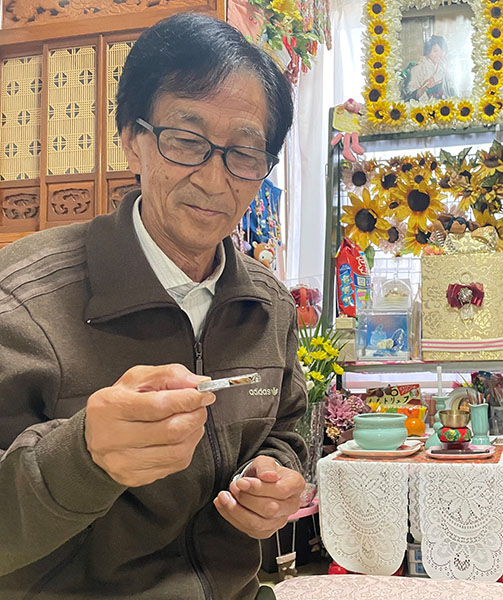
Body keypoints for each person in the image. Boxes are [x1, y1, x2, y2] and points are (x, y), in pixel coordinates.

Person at [0, 13, 308, 600]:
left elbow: (288, 427)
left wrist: (273, 475)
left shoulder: (267, 305)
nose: (216, 180)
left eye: (244, 153)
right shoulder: (22, 301)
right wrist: (84, 455)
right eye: (187, 142)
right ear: (132, 141)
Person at [403, 35, 451, 102]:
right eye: (435, 51)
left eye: (442, 51)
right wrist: (425, 86)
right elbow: (410, 98)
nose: (439, 54)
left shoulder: (443, 68)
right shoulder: (417, 69)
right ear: (428, 51)